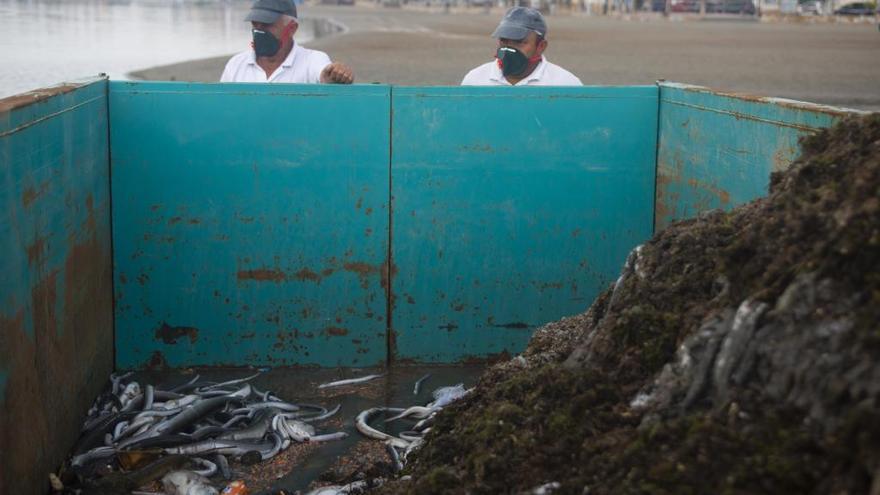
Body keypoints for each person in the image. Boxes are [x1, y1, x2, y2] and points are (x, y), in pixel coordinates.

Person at [221, 0, 354, 84]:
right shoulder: (236, 65)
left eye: (267, 25)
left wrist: (334, 75)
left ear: (292, 29)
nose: (259, 31)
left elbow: (324, 74)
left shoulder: (312, 60)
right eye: (255, 24)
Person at [461, 7, 581, 87]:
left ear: (541, 46)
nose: (508, 48)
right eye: (504, 41)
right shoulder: (475, 80)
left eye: (519, 42)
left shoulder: (565, 83)